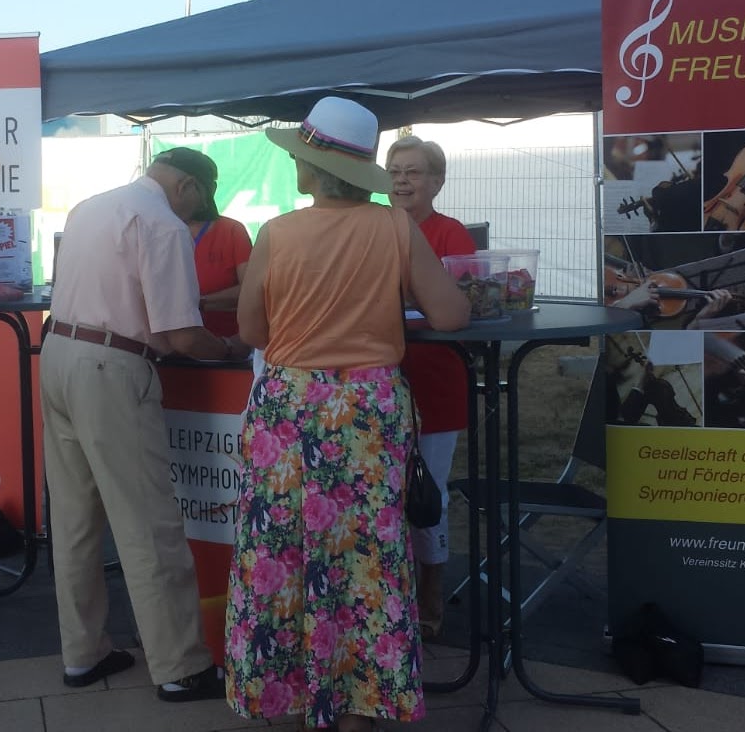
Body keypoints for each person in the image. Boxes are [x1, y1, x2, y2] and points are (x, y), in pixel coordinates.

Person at [225, 97, 470, 731]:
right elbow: (449, 315)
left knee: (280, 549)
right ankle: (358, 704)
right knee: (365, 560)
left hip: (289, 409)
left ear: (312, 166)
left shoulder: (276, 234)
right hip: (369, 410)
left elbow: (252, 329)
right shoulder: (395, 227)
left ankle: (294, 696)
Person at [41, 146, 249, 701]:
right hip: (112, 368)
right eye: (200, 199)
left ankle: (83, 653)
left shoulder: (90, 206)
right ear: (186, 186)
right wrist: (229, 345)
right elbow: (181, 334)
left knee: (74, 521)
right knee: (149, 524)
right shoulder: (161, 223)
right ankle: (181, 666)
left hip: (58, 354)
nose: (197, 214)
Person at [384, 135, 474, 638]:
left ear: (436, 182)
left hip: (433, 384)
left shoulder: (451, 234)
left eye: (413, 172)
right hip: (377, 381)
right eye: (395, 170)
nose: (401, 180)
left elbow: (451, 307)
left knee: (425, 496)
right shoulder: (372, 227)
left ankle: (431, 594)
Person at [176, 150, 253, 337]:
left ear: (212, 189)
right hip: (170, 347)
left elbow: (251, 289)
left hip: (227, 344)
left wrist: (199, 303)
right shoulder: (160, 229)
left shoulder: (232, 231)